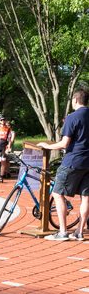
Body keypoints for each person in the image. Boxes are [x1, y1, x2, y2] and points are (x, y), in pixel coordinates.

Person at [38, 88, 89, 241]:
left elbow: (64, 143)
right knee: (86, 197)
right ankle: (79, 232)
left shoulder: (72, 117)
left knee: (57, 193)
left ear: (75, 100)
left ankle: (62, 231)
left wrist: (47, 146)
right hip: (88, 162)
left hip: (73, 161)